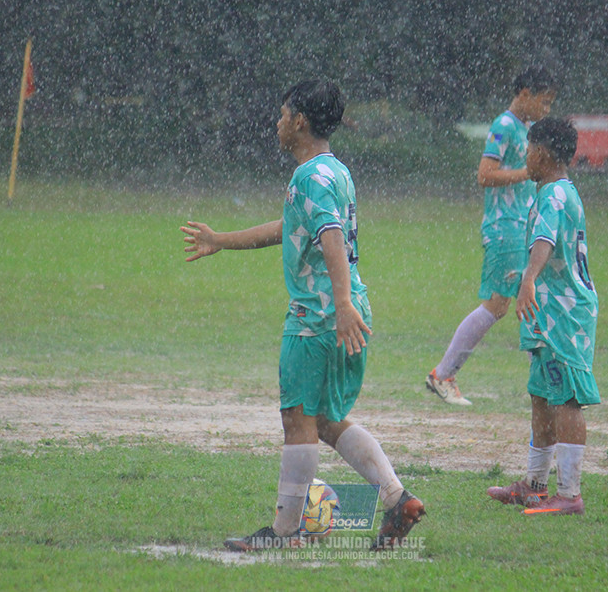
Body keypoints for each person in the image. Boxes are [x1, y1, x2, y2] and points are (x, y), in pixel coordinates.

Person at [181, 80, 425, 551]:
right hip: (345, 311)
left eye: (281, 113)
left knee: (298, 420)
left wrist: (340, 305)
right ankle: (397, 497)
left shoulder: (308, 177)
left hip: (319, 318)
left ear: (299, 121)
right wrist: (221, 240)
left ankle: (285, 532)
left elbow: (331, 235)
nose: (276, 122)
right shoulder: (334, 172)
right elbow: (294, 228)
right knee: (327, 421)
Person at [486, 117, 599, 516]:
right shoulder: (555, 191)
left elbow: (545, 240)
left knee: (566, 400)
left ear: (542, 152)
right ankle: (535, 486)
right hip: (547, 313)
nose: (525, 157)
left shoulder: (553, 195)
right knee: (542, 395)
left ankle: (569, 495)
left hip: (564, 314)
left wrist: (529, 279)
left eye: (529, 149)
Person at [425, 65, 557, 406]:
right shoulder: (503, 126)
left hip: (520, 226)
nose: (546, 111)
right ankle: (443, 374)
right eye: (543, 102)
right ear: (524, 94)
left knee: (527, 299)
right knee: (499, 304)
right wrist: (527, 172)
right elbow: (485, 175)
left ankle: (546, 382)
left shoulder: (525, 128)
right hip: (504, 227)